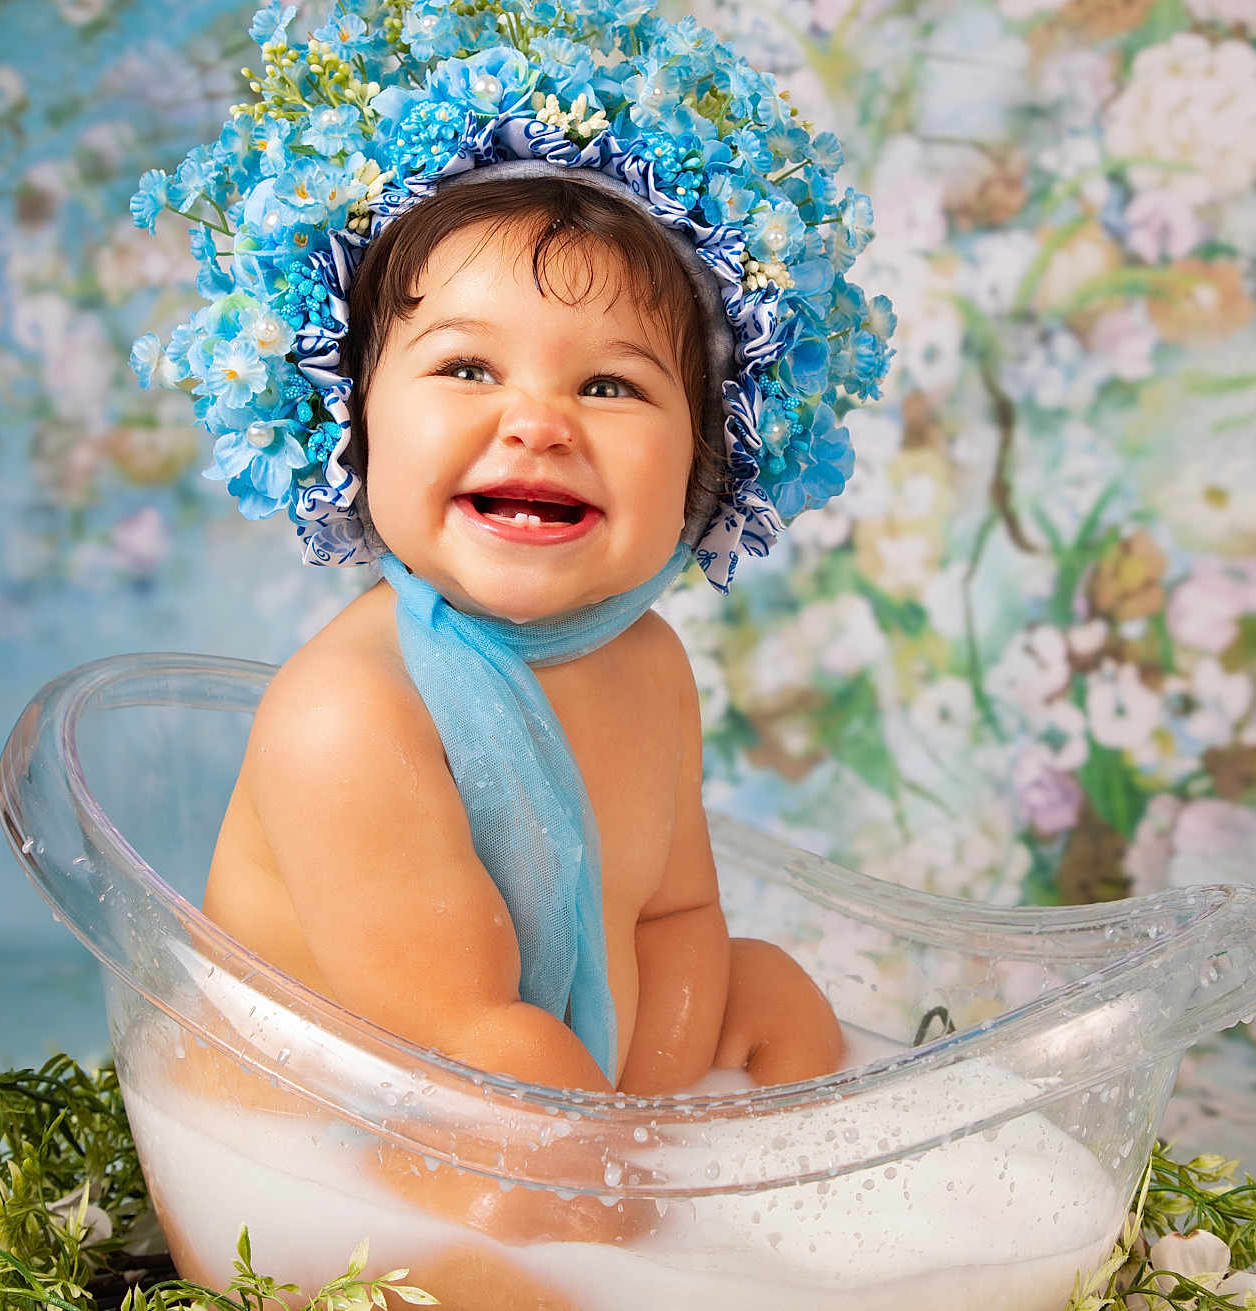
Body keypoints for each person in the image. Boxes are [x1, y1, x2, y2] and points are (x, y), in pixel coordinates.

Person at [129, 0, 894, 1271]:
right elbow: (472, 1047)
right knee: (490, 1259)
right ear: (350, 423)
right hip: (334, 1135)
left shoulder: (647, 664)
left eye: (611, 384)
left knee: (769, 990)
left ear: (712, 461)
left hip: (537, 1090)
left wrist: (664, 1133)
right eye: (467, 370)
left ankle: (806, 1253)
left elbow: (671, 918)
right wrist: (627, 1212)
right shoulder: (351, 716)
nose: (537, 422)